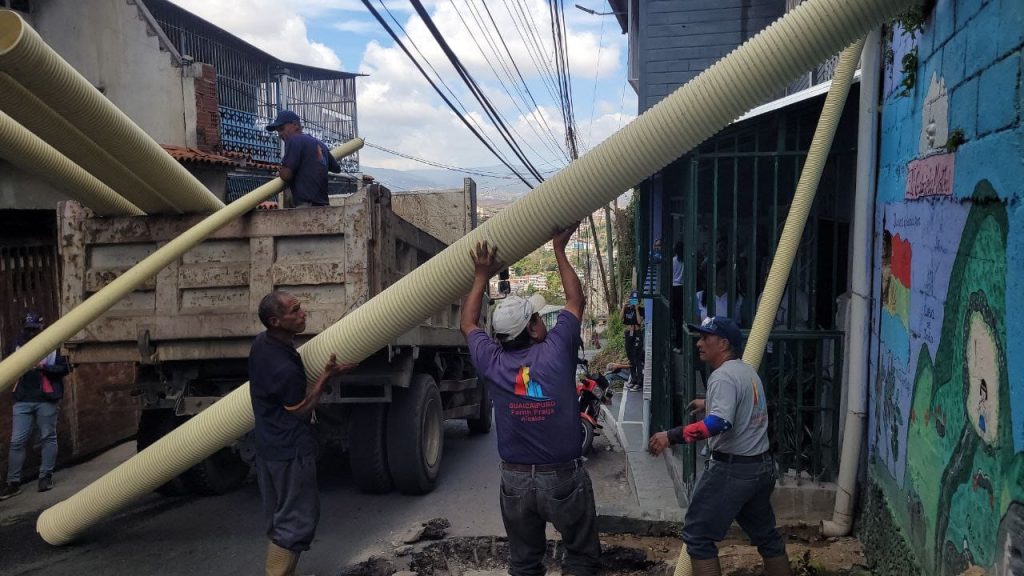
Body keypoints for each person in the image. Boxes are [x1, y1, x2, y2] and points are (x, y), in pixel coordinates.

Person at [460, 223, 601, 576]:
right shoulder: (556, 350)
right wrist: (558, 250)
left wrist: (481, 274)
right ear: (534, 327)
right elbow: (575, 301)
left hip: (516, 481)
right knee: (581, 558)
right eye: (538, 317)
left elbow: (467, 323)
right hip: (562, 478)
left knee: (524, 563)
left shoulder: (492, 361)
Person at [648, 316, 791, 576]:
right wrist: (708, 403)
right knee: (766, 536)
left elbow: (718, 424)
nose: (699, 343)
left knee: (698, 536)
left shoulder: (722, 378)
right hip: (760, 468)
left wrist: (670, 435)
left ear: (723, 343)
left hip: (732, 471)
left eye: (705, 338)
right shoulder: (746, 371)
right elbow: (742, 405)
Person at [249, 291, 357, 576]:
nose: (303, 313)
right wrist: (326, 377)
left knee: (280, 517)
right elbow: (300, 410)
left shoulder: (263, 344)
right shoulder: (284, 369)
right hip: (289, 451)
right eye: (294, 311)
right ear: (275, 321)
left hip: (268, 446)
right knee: (296, 520)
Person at [1, 313, 69, 500]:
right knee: (17, 441)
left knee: (48, 436)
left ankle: (45, 477)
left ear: (41, 327)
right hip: (23, 399)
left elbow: (65, 368)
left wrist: (43, 368)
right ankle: (13, 483)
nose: (31, 333)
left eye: (34, 329)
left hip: (46, 398)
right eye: (28, 329)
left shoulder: (53, 344)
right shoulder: (17, 345)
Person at [265, 109, 342, 207]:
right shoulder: (320, 144)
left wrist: (281, 170)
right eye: (278, 131)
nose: (279, 134)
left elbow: (286, 175)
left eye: (282, 128)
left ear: (295, 125)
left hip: (306, 207)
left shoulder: (294, 140)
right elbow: (336, 169)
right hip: (323, 205)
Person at [621, 290, 645, 391]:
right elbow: (621, 319)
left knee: (637, 358)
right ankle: (633, 379)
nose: (633, 301)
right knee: (631, 358)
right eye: (632, 300)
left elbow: (639, 321)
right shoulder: (627, 309)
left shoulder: (640, 309)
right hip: (628, 334)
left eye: (635, 300)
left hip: (637, 334)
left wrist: (636, 309)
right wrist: (623, 307)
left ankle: (640, 381)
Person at [671, 240, 685, 352]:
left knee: (677, 318)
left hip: (674, 289)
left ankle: (678, 344)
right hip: (684, 290)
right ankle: (682, 343)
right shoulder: (686, 261)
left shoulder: (673, 261)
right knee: (683, 318)